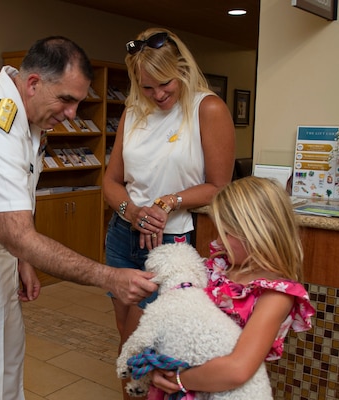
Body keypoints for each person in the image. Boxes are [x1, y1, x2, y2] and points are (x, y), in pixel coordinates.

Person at [0, 36, 157, 400]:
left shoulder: (27, 112)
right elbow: (17, 233)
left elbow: (16, 200)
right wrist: (107, 276)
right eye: (67, 100)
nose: (72, 113)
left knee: (8, 367)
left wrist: (20, 258)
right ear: (32, 83)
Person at [102, 27, 235, 399]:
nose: (158, 95)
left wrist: (167, 202)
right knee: (131, 342)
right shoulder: (133, 113)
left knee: (135, 348)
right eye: (147, 87)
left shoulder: (207, 108)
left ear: (181, 69)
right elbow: (111, 181)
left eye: (165, 84)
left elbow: (219, 185)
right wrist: (133, 212)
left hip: (171, 244)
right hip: (122, 237)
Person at [149, 176, 316, 398]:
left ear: (257, 232)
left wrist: (179, 379)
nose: (218, 240)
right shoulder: (218, 266)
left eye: (226, 233)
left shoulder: (276, 295)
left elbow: (238, 369)